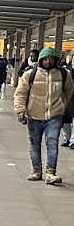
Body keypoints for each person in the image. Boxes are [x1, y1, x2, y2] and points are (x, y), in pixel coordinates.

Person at [14, 47, 72, 185]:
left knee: (52, 144)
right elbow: (20, 93)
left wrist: (62, 105)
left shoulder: (64, 74)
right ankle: (36, 171)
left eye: (51, 59)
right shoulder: (30, 74)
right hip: (33, 115)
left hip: (54, 116)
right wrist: (20, 110)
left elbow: (69, 90)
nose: (48, 61)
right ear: (40, 60)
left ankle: (50, 173)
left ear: (56, 60)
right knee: (34, 144)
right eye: (45, 59)